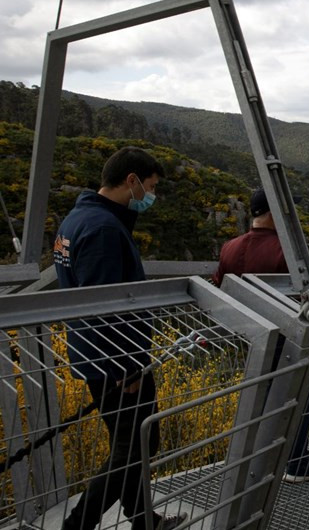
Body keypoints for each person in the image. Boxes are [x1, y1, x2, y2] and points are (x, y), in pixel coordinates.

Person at [54, 146, 187, 530]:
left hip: (94, 356)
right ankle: (78, 525)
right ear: (131, 181)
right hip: (117, 362)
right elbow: (106, 304)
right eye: (150, 186)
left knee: (129, 445)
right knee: (137, 446)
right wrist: (128, 366)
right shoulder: (103, 230)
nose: (151, 195)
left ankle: (143, 519)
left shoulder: (77, 219)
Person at [212, 188, 309, 484]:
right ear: (274, 212)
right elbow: (308, 300)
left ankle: (254, 463)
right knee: (299, 399)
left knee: (259, 399)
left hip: (250, 337)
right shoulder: (285, 252)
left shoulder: (230, 247)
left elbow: (219, 290)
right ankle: (297, 462)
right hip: (287, 338)